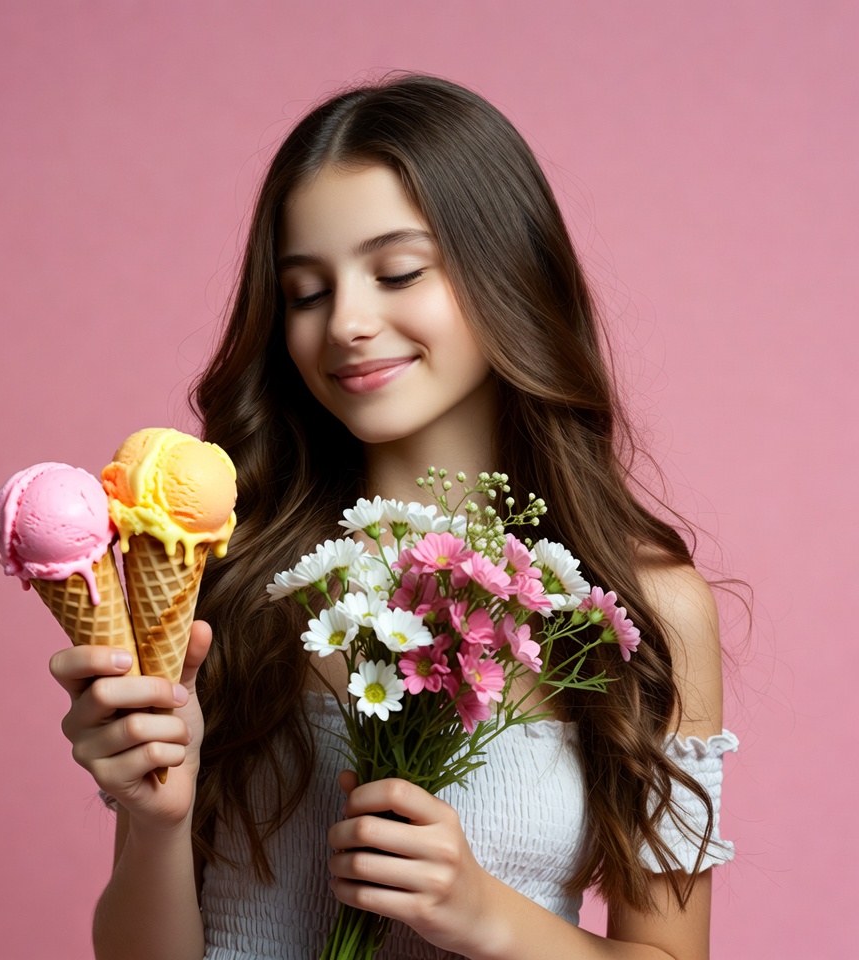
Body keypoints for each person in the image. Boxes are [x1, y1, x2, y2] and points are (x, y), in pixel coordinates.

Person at [50, 74, 737, 960]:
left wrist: (486, 915)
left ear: (509, 271)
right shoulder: (232, 579)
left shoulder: (643, 610)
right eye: (306, 292)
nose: (347, 322)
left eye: (398, 272)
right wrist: (156, 822)